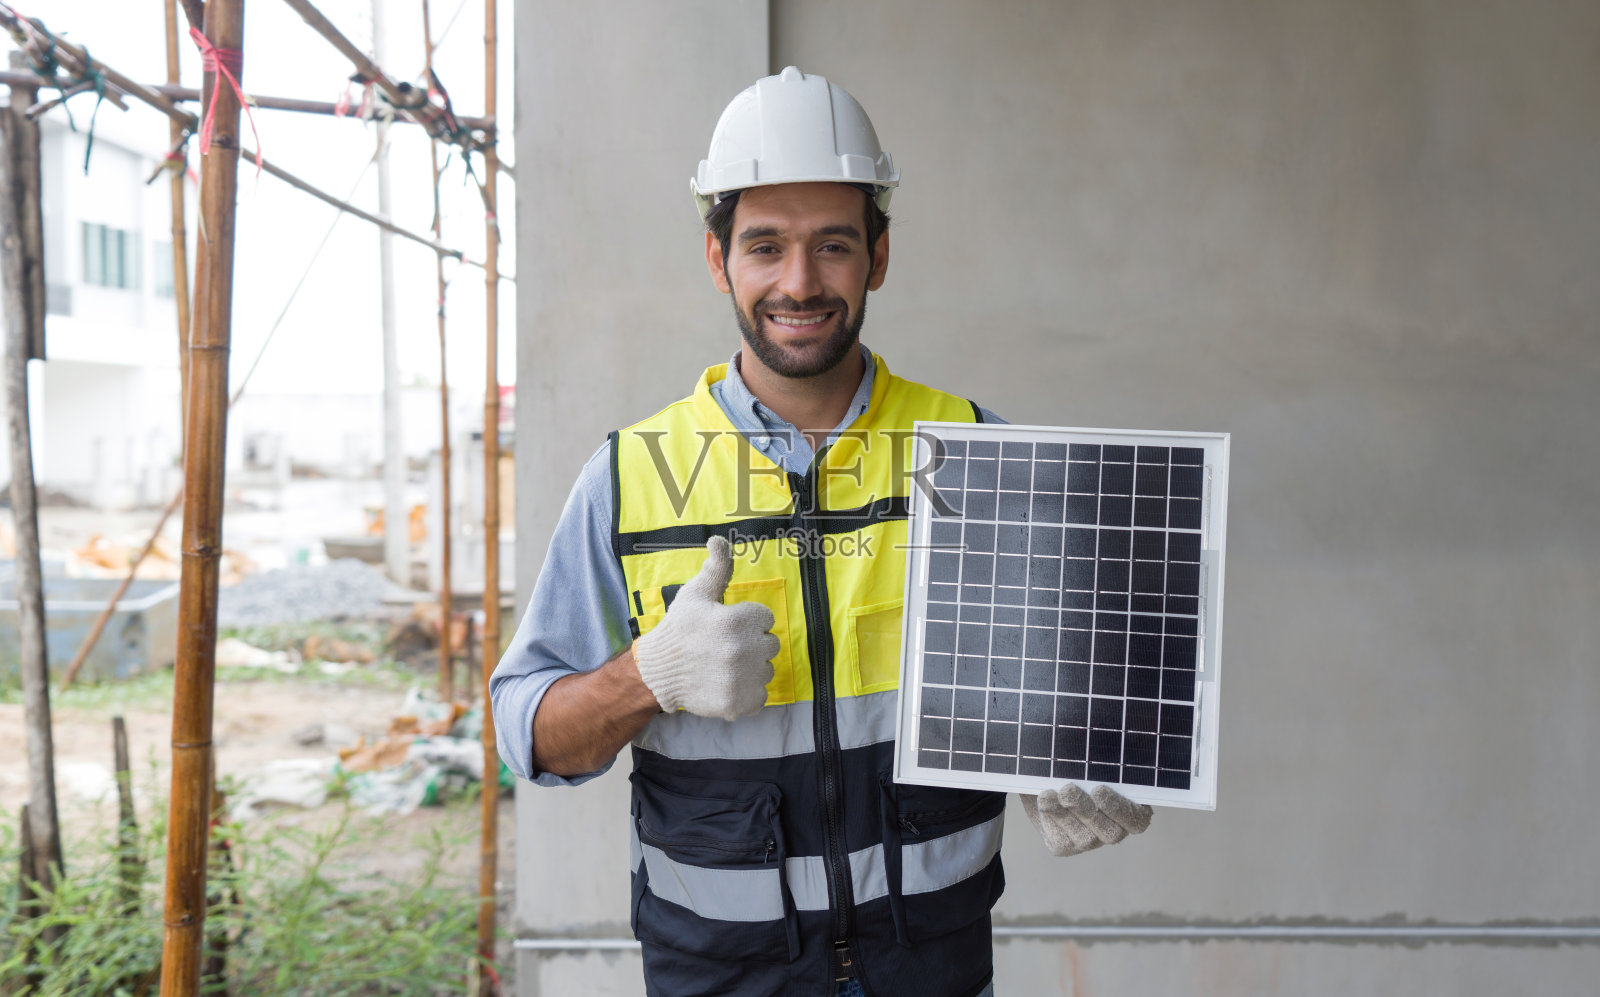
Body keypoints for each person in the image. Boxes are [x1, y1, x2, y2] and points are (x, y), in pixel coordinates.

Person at [491, 66, 1153, 997]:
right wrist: (648, 674)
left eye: (832, 245)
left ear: (878, 257)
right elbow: (530, 732)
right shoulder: (629, 476)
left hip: (931, 968)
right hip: (721, 979)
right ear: (719, 259)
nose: (799, 282)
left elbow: (1079, 684)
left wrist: (1081, 748)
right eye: (765, 246)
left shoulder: (974, 451)